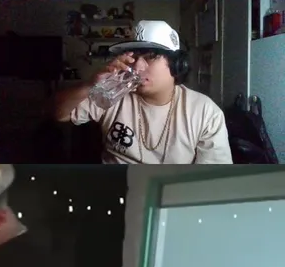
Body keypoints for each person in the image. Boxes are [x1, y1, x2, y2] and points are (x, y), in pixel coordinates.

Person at [53, 20, 231, 164]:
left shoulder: (205, 112)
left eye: (150, 57)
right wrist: (90, 85)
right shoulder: (113, 92)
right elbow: (58, 114)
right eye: (134, 57)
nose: (137, 67)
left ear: (177, 65)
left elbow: (212, 178)